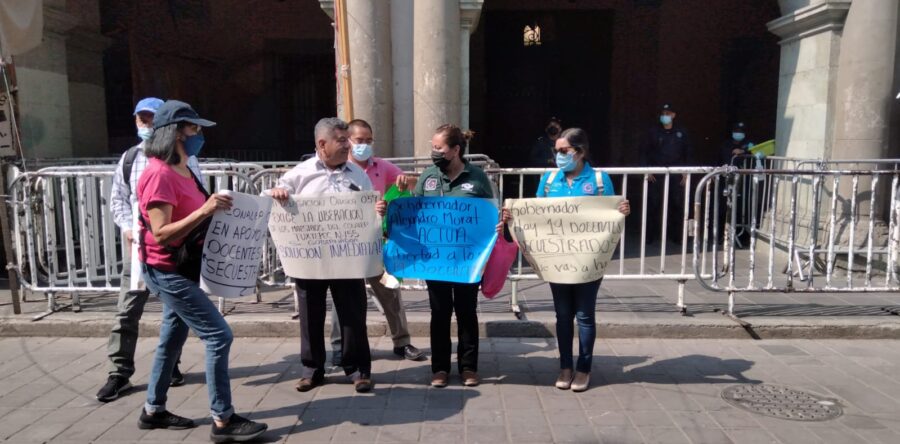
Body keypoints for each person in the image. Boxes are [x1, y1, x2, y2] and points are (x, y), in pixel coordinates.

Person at [137, 100, 267, 441]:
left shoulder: (183, 168)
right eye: (194, 128)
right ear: (176, 132)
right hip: (166, 270)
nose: (199, 134)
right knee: (218, 335)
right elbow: (161, 232)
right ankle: (223, 420)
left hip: (183, 268)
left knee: (171, 338)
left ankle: (153, 410)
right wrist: (207, 209)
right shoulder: (159, 174)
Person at [500, 128, 630, 392]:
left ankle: (584, 368)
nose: (558, 156)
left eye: (564, 151)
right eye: (556, 151)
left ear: (580, 152)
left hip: (588, 258)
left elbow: (610, 216)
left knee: (584, 314)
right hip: (557, 258)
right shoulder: (548, 181)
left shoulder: (599, 179)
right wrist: (513, 217)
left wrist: (622, 211)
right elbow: (536, 215)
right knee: (562, 314)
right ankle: (565, 366)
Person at [97, 97, 202, 403]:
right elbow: (117, 199)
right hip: (140, 248)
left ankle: (171, 365)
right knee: (128, 310)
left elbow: (192, 198)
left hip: (172, 250)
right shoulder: (130, 157)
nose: (146, 125)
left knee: (175, 312)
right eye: (141, 119)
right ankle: (119, 372)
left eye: (151, 119)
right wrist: (128, 228)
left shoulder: (186, 159)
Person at [268, 117, 375, 393]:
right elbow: (269, 198)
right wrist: (277, 192)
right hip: (310, 260)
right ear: (322, 144)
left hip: (347, 258)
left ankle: (357, 368)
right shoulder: (299, 174)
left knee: (353, 314)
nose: (347, 145)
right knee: (310, 314)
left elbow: (368, 208)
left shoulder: (357, 174)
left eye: (347, 140)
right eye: (341, 140)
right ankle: (312, 369)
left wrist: (378, 210)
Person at [328, 119, 425, 364]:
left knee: (390, 292)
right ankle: (340, 349)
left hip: (376, 241)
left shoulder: (382, 166)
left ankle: (401, 342)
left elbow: (412, 182)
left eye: (369, 140)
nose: (365, 145)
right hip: (347, 243)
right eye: (359, 140)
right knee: (343, 298)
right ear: (347, 141)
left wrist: (405, 182)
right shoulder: (338, 168)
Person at [409, 124, 495, 388]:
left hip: (467, 260)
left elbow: (488, 216)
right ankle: (440, 369)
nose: (433, 152)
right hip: (436, 260)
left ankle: (468, 368)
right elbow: (415, 212)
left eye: (438, 148)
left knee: (467, 312)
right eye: (433, 147)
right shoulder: (428, 177)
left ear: (455, 150)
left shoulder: (477, 178)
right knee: (440, 312)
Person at [639, 103, 693, 244]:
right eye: (663, 113)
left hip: (676, 172)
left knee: (677, 203)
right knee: (653, 203)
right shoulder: (653, 131)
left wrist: (686, 171)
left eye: (668, 114)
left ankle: (677, 236)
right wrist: (646, 169)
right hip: (656, 172)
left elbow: (688, 152)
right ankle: (649, 236)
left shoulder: (682, 132)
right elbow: (644, 151)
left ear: (674, 115)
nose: (665, 116)